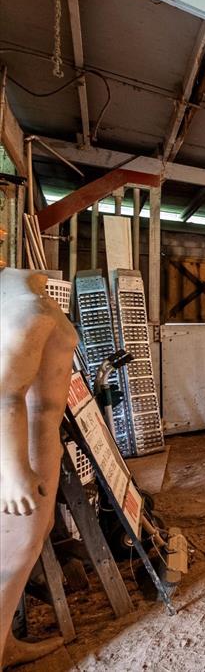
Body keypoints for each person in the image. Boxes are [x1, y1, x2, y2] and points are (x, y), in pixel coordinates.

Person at [0, 267, 78, 665]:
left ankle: (3, 642)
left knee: (30, 541)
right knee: (13, 553)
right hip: (25, 447)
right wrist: (14, 470)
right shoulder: (29, 309)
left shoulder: (20, 304)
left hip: (36, 442)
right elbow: (6, 393)